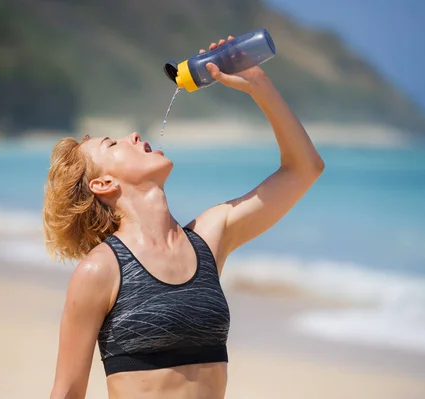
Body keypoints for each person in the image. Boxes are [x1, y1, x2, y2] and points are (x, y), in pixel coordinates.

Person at [44, 35, 324, 399]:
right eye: (112, 144)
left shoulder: (209, 238)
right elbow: (67, 391)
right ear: (103, 183)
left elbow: (305, 168)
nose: (132, 135)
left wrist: (258, 84)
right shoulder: (101, 271)